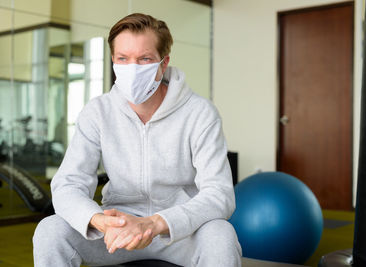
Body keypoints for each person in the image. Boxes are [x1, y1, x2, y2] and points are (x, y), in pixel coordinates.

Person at [33, 13, 242, 267]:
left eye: (144, 59)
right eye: (123, 59)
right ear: (113, 61)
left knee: (221, 234)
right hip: (116, 232)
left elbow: (219, 194)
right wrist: (99, 221)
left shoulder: (200, 113)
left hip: (177, 233)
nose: (132, 68)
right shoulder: (98, 112)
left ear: (163, 64)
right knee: (50, 230)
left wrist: (155, 223)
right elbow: (67, 185)